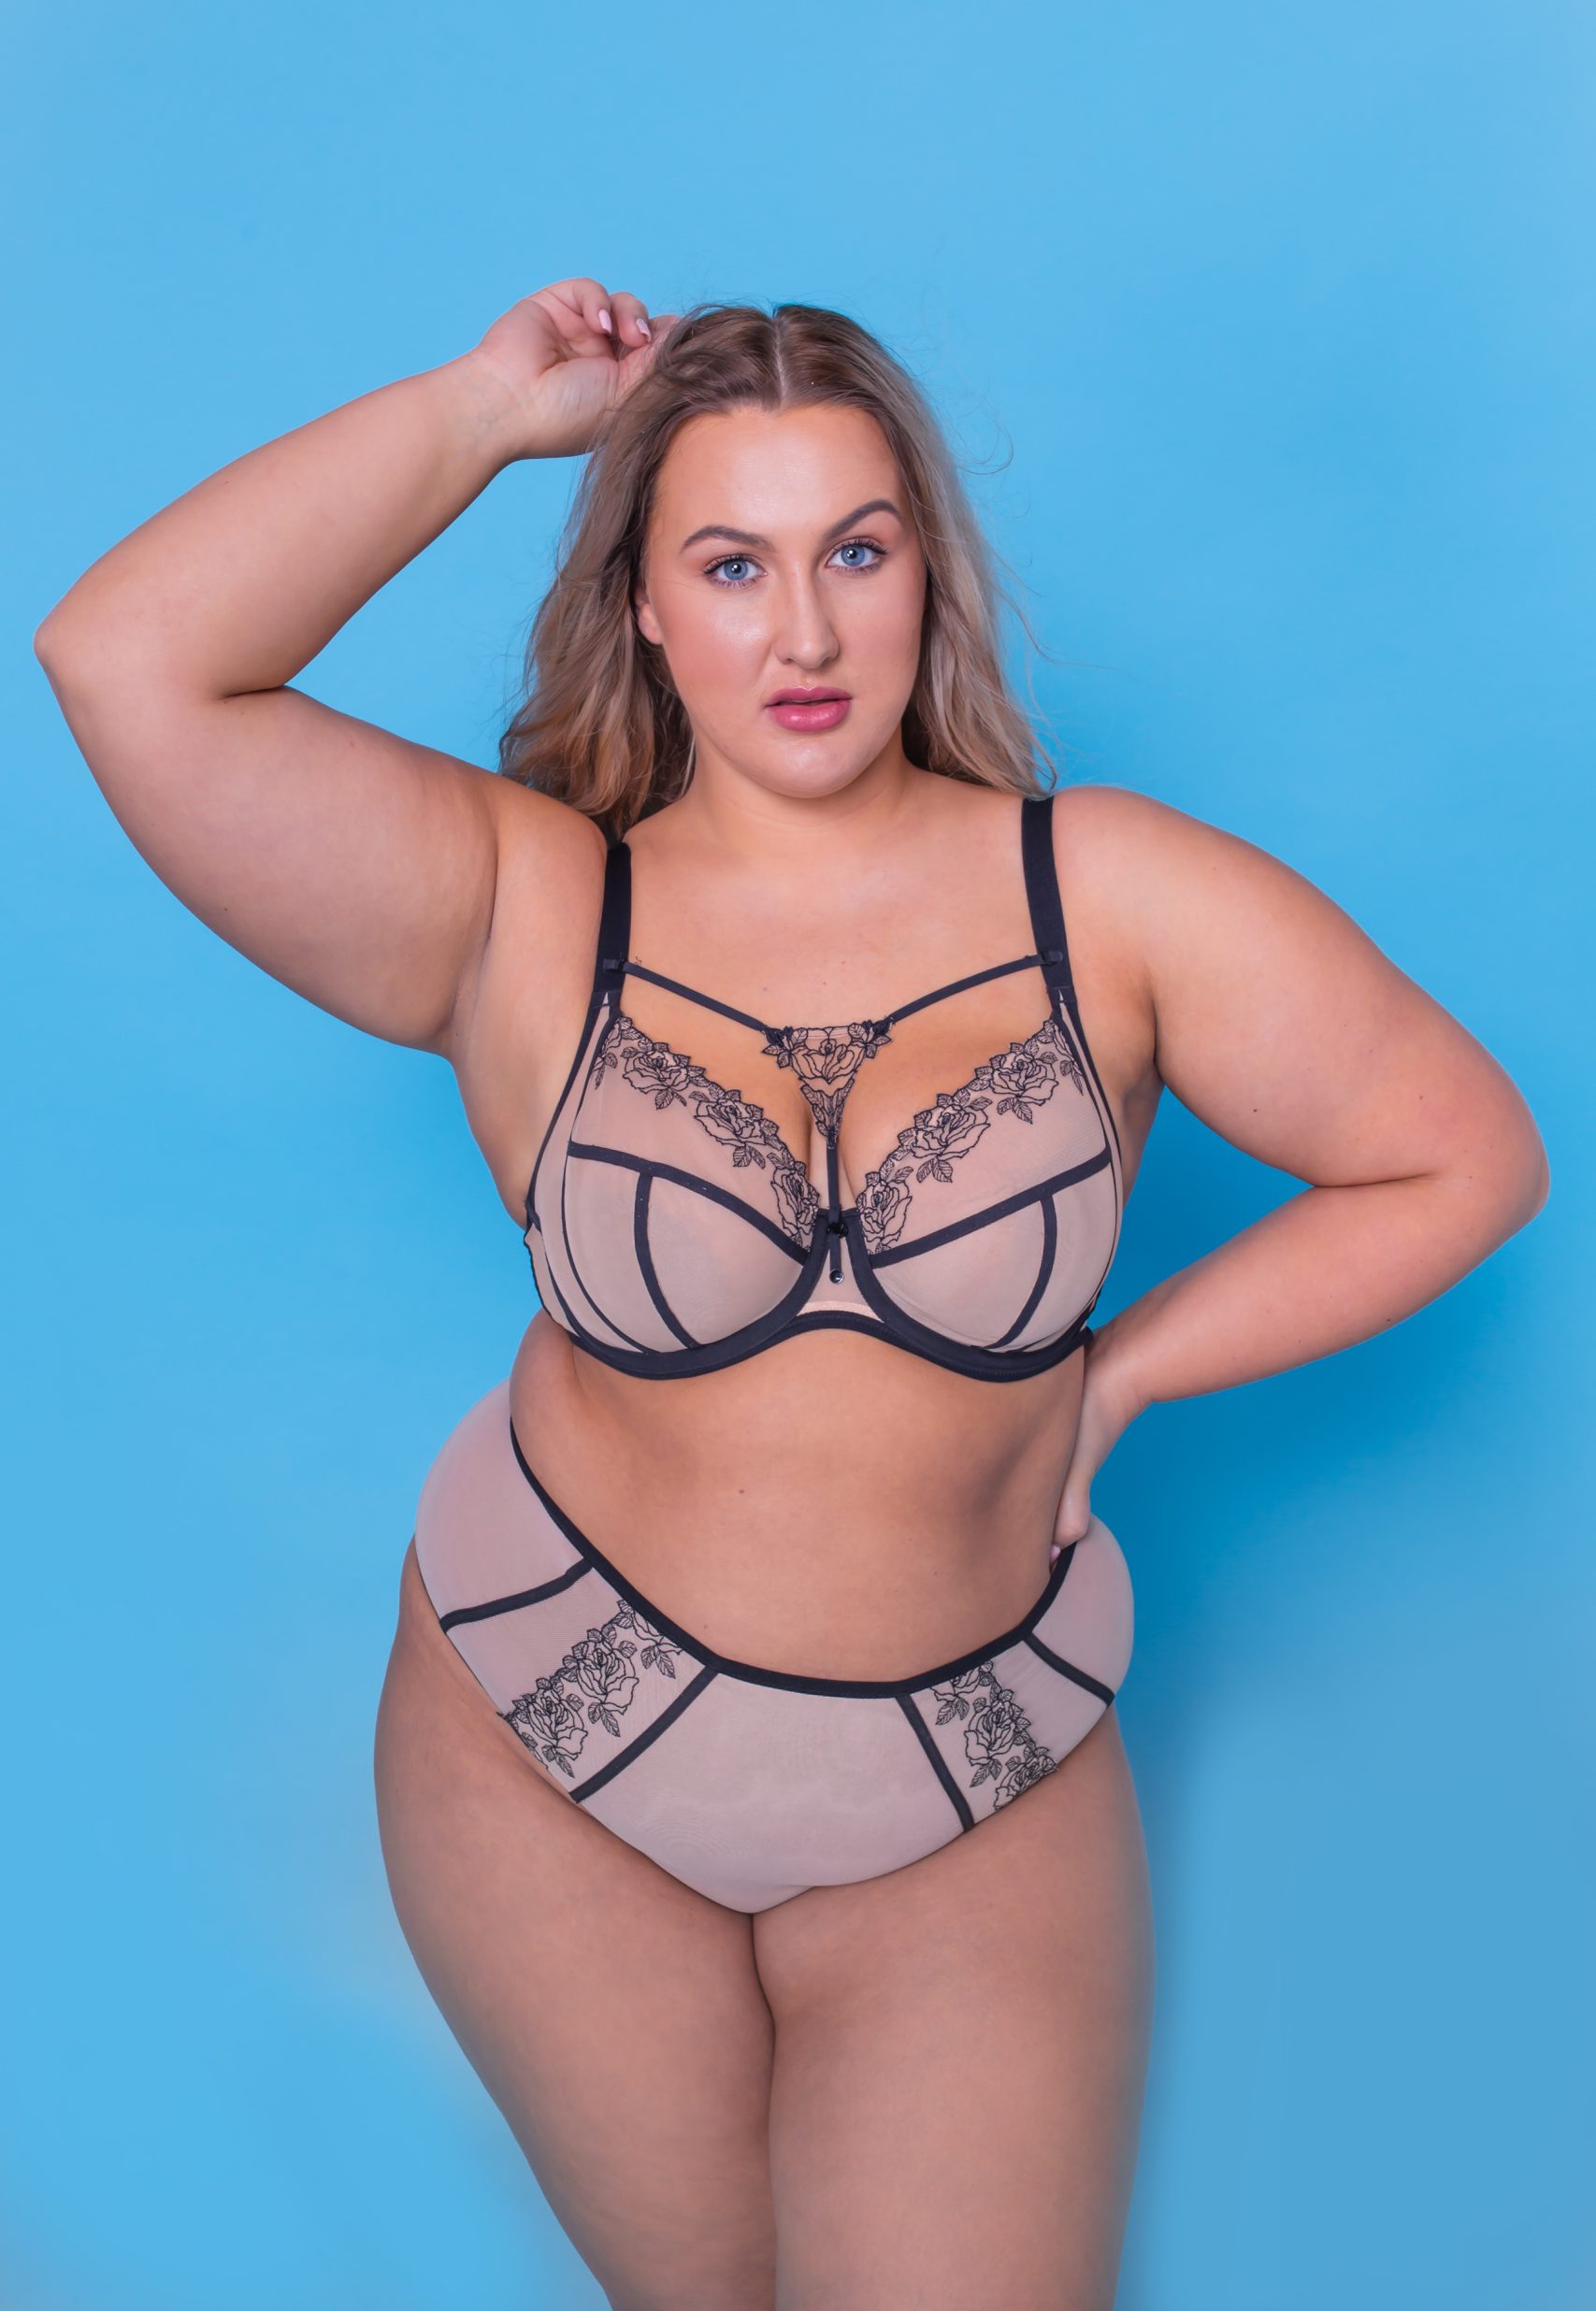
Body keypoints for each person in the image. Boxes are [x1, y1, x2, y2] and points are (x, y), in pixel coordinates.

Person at [34, 280, 1549, 2311]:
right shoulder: (522, 905)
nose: (806, 633)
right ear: (645, 607)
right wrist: (482, 413)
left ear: (927, 570)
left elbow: (1460, 1151)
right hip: (547, 1755)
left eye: (856, 549)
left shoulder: (1104, 893)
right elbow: (125, 658)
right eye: (731, 564)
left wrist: (1120, 1381)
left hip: (968, 1774)